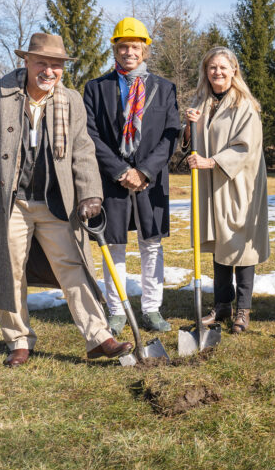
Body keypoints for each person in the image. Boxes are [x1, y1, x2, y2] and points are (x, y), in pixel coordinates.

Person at [0, 33, 132, 367]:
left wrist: (91, 192)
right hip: (9, 202)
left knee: (73, 266)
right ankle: (19, 340)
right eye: (42, 63)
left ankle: (99, 337)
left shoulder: (70, 100)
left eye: (56, 65)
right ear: (26, 62)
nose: (49, 72)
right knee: (11, 270)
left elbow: (82, 150)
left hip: (56, 202)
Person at [83, 17, 180, 336]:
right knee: (114, 245)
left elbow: (170, 134)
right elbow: (90, 134)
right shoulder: (97, 88)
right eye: (123, 46)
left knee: (151, 244)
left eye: (135, 46)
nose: (129, 52)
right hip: (112, 181)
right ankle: (117, 310)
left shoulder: (164, 88)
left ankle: (151, 309)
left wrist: (145, 171)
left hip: (151, 182)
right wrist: (122, 170)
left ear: (145, 50)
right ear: (115, 49)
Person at [184, 46, 270, 334]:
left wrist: (211, 161)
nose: (217, 72)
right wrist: (188, 125)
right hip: (210, 185)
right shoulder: (201, 101)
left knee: (240, 243)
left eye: (223, 67)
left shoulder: (245, 105)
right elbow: (191, 142)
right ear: (205, 71)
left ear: (234, 70)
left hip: (238, 184)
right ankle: (222, 305)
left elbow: (246, 148)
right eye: (212, 67)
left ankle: (243, 310)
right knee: (220, 241)